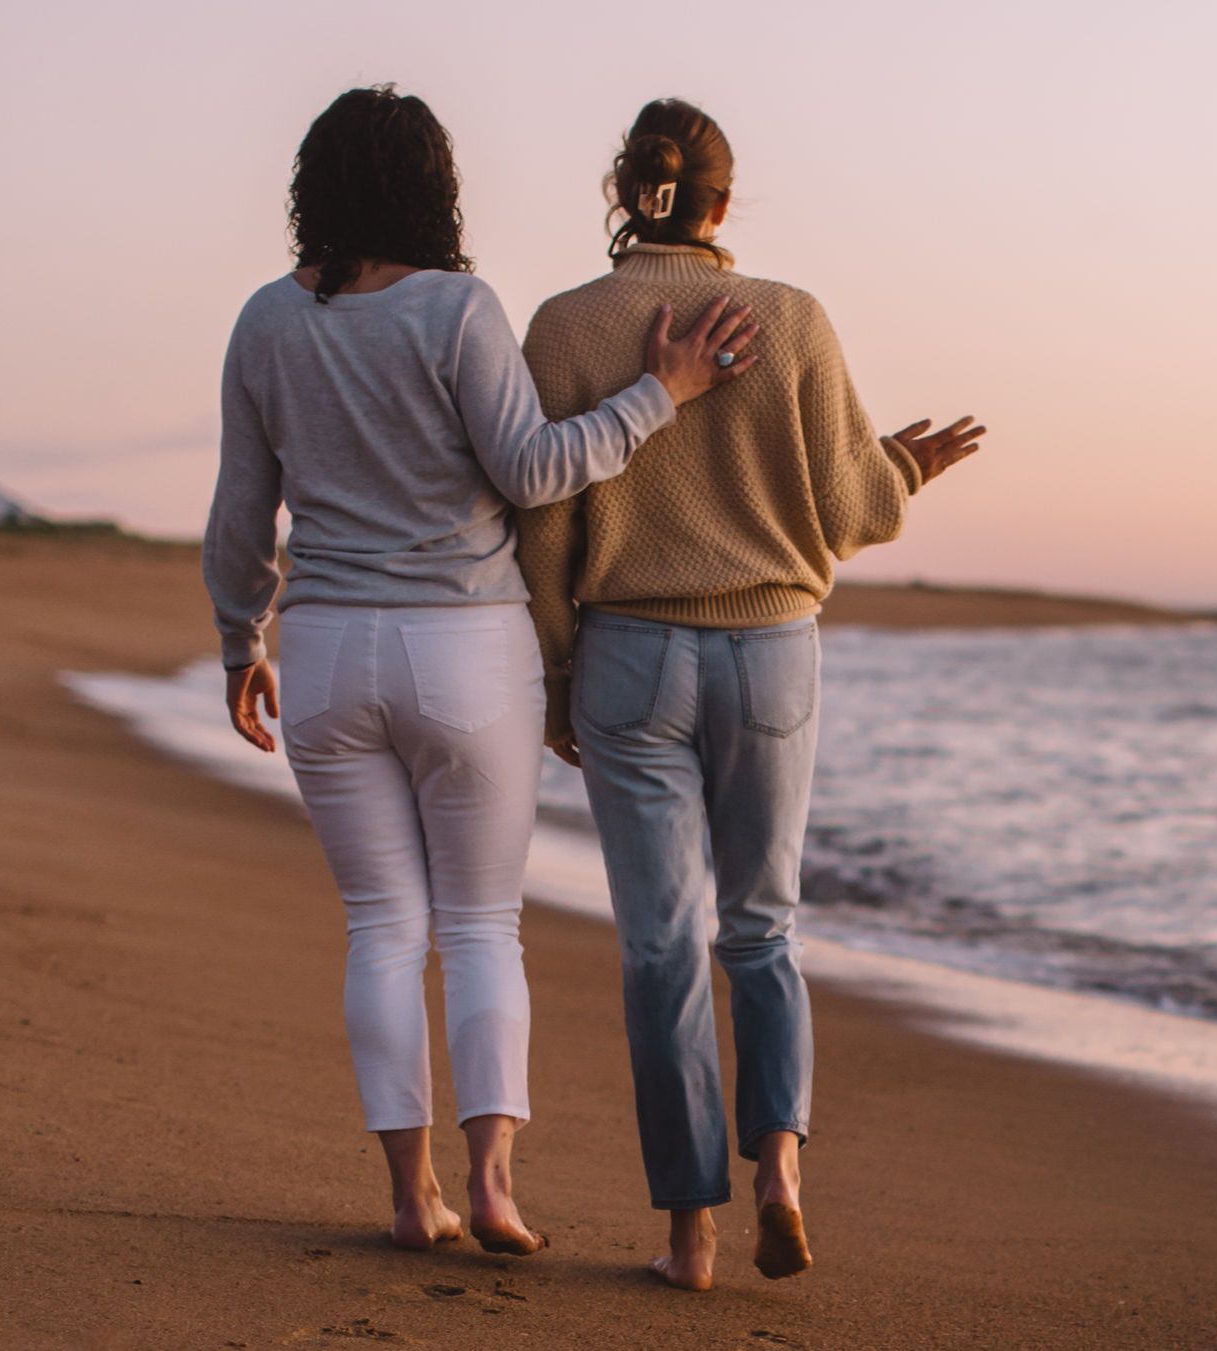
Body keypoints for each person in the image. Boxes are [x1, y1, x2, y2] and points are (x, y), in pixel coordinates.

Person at [200, 85, 755, 1256]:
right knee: (482, 925)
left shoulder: (265, 320)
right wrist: (663, 393)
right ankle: (494, 1184)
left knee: (380, 926)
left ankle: (413, 1198)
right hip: (465, 648)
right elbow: (534, 470)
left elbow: (242, 514)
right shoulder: (459, 310)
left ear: (318, 187)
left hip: (331, 652)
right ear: (432, 188)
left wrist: (241, 639)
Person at [513, 97, 986, 1290]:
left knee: (661, 947)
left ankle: (690, 1233)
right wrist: (907, 471)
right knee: (762, 927)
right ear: (726, 202)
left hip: (627, 652)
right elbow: (853, 508)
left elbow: (543, 527)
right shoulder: (795, 317)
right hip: (773, 645)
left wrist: (561, 672)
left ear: (627, 193)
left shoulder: (567, 326)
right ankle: (778, 1166)